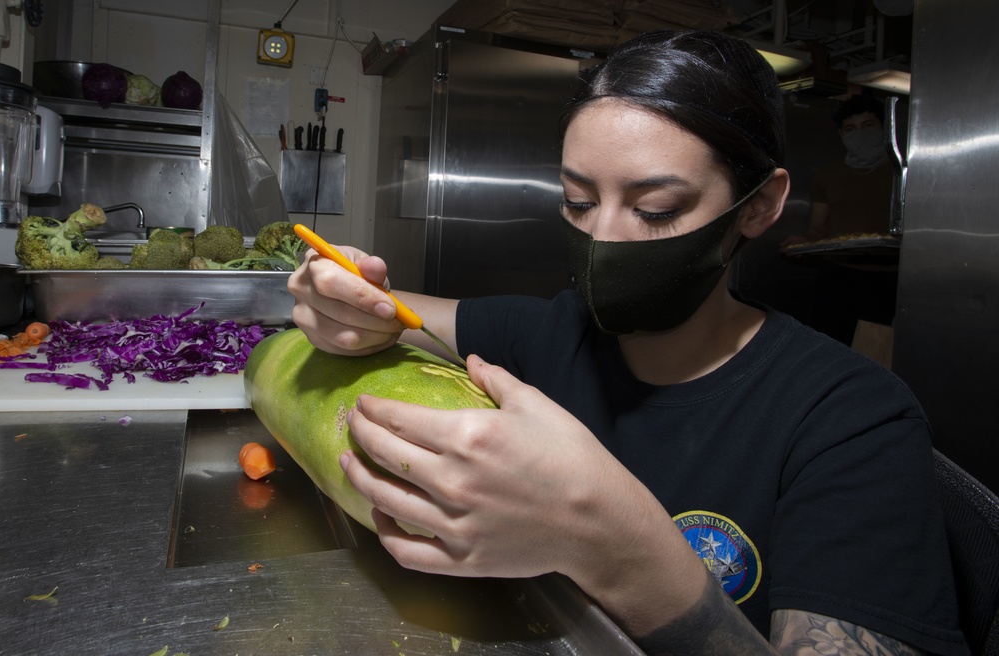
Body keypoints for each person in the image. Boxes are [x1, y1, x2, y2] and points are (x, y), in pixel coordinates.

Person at [288, 31, 966, 655]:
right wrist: (343, 300)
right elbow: (391, 311)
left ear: (759, 205)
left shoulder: (853, 422)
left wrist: (616, 547)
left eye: (656, 209)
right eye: (579, 201)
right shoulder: (548, 333)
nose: (604, 238)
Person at [780, 94, 898, 344]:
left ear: (884, 129)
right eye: (851, 129)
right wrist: (804, 242)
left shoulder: (903, 173)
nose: (860, 134)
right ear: (842, 135)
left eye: (868, 126)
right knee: (831, 343)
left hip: (888, 279)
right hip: (838, 276)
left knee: (877, 348)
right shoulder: (827, 175)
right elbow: (817, 227)